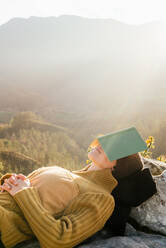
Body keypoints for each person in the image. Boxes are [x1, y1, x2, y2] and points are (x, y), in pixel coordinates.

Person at [0, 142, 118, 248]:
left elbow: (59, 240)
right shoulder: (67, 173)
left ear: (121, 164)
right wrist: (12, 183)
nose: (102, 144)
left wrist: (23, 192)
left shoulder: (102, 197)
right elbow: (23, 193)